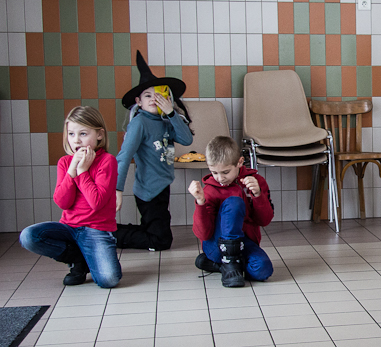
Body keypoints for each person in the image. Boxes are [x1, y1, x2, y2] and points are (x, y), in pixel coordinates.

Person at [19, 107, 121, 288]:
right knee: (28, 236)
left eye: (83, 134)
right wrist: (72, 169)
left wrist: (82, 171)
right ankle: (78, 259)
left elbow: (96, 203)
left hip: (96, 229)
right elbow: (62, 202)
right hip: (69, 227)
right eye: (71, 134)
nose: (76, 140)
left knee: (109, 280)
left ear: (99, 135)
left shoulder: (107, 161)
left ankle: (86, 258)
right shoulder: (65, 162)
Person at [115, 51, 193, 251]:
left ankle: (111, 233)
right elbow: (124, 156)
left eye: (157, 95)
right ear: (138, 101)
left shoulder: (166, 121)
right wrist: (117, 189)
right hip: (148, 190)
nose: (152, 99)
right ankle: (108, 234)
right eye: (147, 95)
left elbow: (186, 139)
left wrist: (171, 113)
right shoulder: (140, 123)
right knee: (160, 241)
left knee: (155, 231)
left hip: (163, 186)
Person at [188, 135, 274, 288]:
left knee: (263, 270)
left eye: (225, 172)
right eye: (214, 172)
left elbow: (264, 221)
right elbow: (203, 235)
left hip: (243, 242)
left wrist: (258, 195)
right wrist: (200, 203)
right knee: (234, 202)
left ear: (240, 162)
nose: (220, 178)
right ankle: (228, 263)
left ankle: (219, 266)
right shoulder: (209, 190)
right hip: (216, 246)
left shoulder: (256, 181)